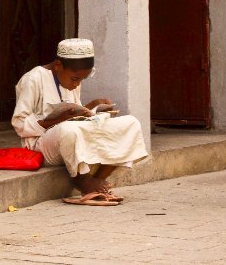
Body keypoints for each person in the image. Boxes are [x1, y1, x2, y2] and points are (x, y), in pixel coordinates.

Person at [11, 38, 148, 205]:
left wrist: (93, 108)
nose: (77, 84)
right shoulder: (32, 79)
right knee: (68, 129)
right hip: (40, 146)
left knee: (130, 124)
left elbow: (73, 110)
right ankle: (81, 179)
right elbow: (19, 124)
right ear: (58, 65)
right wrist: (57, 120)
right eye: (75, 79)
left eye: (82, 80)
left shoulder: (72, 80)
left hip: (71, 138)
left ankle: (95, 181)